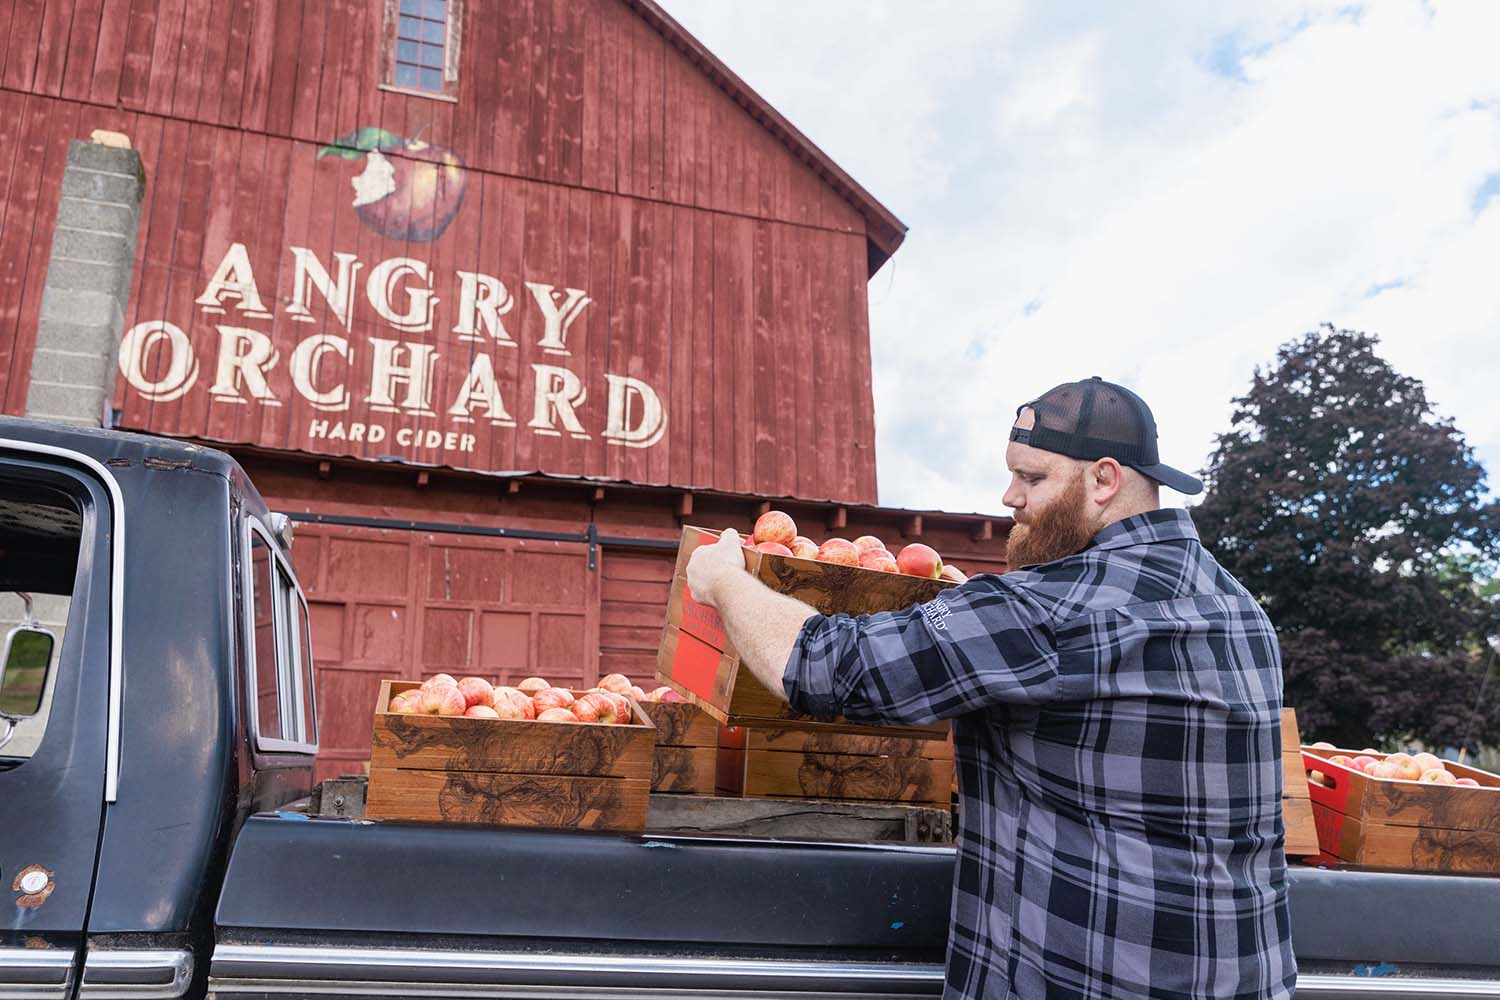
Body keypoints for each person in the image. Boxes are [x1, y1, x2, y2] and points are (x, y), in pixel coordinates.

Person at [686, 377, 1296, 1000]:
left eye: (1032, 479)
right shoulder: (1240, 607)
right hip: (1244, 977)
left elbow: (824, 666)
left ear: (1104, 480)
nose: (1010, 498)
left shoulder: (1051, 607)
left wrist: (726, 584)